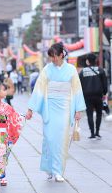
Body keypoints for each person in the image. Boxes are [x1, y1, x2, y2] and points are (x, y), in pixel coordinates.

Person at [26, 43, 86, 182]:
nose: (52, 59)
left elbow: (77, 90)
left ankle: (58, 171)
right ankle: (49, 168)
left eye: (54, 56)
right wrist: (31, 109)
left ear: (61, 55)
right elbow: (39, 89)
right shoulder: (47, 69)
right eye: (50, 57)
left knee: (61, 140)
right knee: (49, 139)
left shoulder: (71, 70)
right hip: (50, 107)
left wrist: (78, 110)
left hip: (65, 108)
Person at [79, 53, 108, 139]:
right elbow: (104, 84)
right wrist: (104, 93)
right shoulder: (100, 70)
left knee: (89, 114)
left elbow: (79, 85)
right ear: (95, 61)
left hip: (87, 96)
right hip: (98, 96)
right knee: (99, 113)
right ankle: (97, 132)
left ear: (87, 61)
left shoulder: (83, 72)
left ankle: (92, 133)